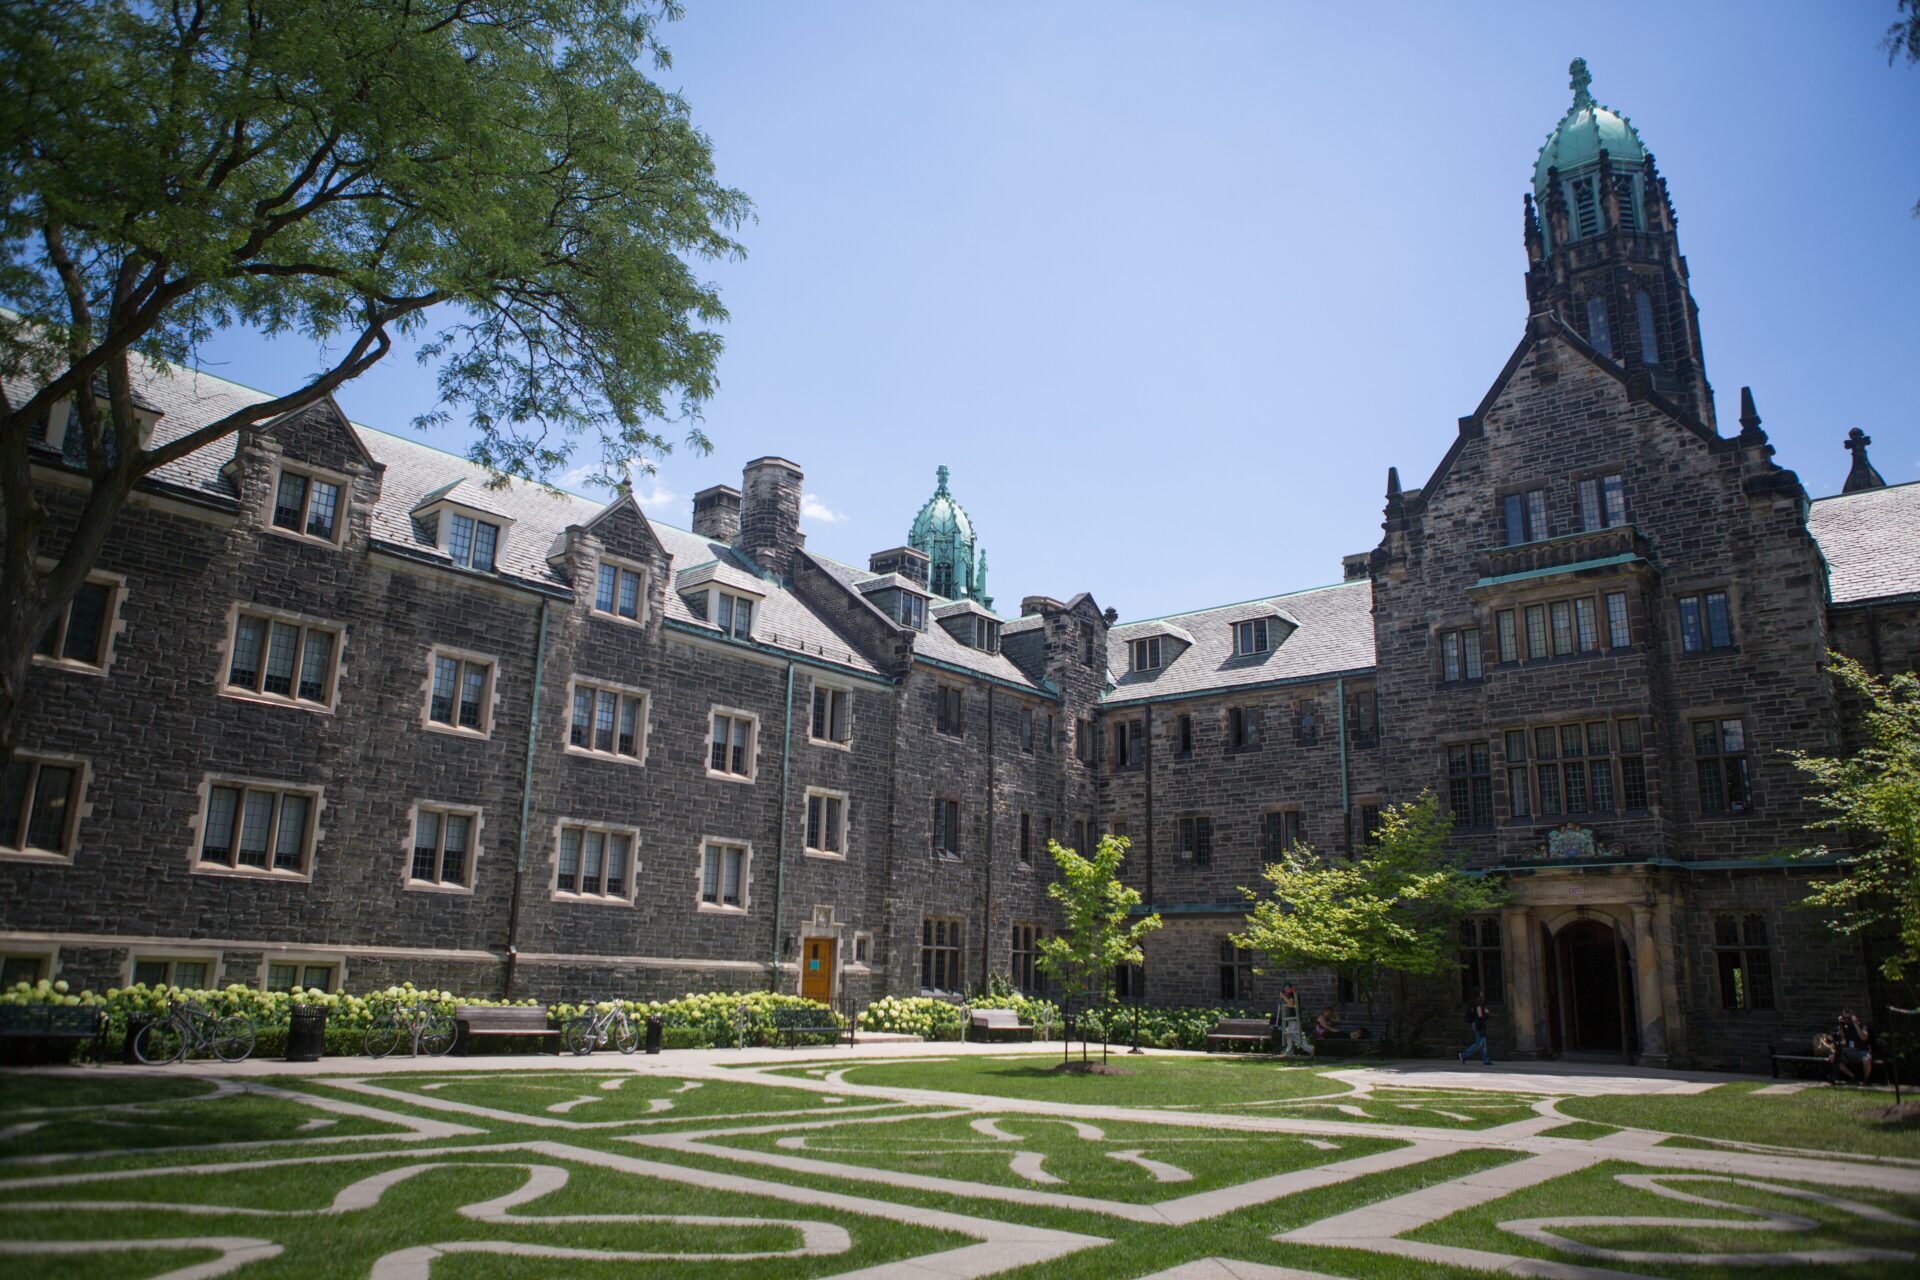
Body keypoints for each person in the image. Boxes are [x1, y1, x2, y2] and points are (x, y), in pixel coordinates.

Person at [1836, 1010, 1874, 1085]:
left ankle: (1866, 1080)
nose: (1847, 1020)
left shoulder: (1862, 1025)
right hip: (1850, 1051)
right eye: (1845, 1018)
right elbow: (1843, 1041)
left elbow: (1864, 1038)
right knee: (1833, 1058)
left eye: (1849, 1018)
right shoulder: (1845, 1027)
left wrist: (1855, 1024)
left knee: (1866, 1060)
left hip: (1862, 1051)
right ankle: (1853, 1077)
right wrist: (1841, 1026)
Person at [1278, 983, 1314, 1057]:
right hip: (1291, 1019)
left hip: (1294, 1019)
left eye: (1287, 987)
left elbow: (1290, 1003)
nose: (1286, 989)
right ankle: (1289, 1053)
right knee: (1289, 1034)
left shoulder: (1293, 993)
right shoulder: (1289, 995)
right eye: (1285, 988)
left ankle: (1310, 1048)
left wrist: (1283, 997)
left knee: (1294, 1036)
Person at [1458, 994, 1491, 1065]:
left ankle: (1486, 1060)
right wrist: (1486, 1013)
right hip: (1478, 1025)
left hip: (1477, 1024)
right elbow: (1480, 1016)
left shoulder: (1474, 1003)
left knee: (1483, 1044)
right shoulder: (1478, 1004)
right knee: (1479, 1044)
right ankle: (1463, 1055)